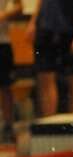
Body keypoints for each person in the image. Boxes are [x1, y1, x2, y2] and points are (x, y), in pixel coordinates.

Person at [27, 0, 73, 117]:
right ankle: (49, 122)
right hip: (45, 27)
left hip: (70, 27)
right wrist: (33, 22)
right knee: (45, 76)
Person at [0, 0, 20, 142]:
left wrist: (4, 14)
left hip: (3, 42)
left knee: (6, 86)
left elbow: (19, 6)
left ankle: (8, 126)